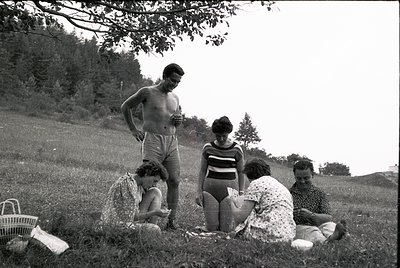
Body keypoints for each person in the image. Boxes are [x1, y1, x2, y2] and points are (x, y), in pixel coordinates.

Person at [121, 63, 184, 230]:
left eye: (178, 82)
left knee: (175, 180)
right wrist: (133, 129)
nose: (174, 84)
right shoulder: (147, 92)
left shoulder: (175, 98)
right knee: (149, 179)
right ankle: (140, 217)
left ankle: (171, 221)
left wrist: (178, 120)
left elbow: (177, 116)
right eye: (172, 80)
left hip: (171, 141)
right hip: (152, 140)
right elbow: (126, 106)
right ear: (164, 76)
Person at [227, 158, 296, 243]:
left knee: (241, 204)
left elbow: (240, 216)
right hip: (287, 235)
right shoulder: (281, 186)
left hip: (268, 234)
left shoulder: (256, 184)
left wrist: (231, 202)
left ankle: (235, 235)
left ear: (249, 175)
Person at [196, 116, 245, 232]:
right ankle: (208, 225)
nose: (222, 139)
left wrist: (241, 193)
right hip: (210, 192)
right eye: (218, 136)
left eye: (224, 136)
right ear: (214, 134)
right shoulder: (208, 148)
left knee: (224, 230)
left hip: (229, 193)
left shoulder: (237, 149)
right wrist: (199, 191)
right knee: (212, 229)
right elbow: (202, 171)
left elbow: (241, 172)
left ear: (229, 133)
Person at [100, 160, 171, 234]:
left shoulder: (138, 183)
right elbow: (132, 217)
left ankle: (150, 230)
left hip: (128, 220)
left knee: (155, 192)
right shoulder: (128, 185)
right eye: (154, 181)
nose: (154, 184)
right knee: (155, 230)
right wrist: (155, 212)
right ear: (147, 174)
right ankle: (149, 232)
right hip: (118, 225)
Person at [290, 160, 348, 244]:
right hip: (300, 227)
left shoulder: (319, 193)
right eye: (299, 178)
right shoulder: (288, 194)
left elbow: (328, 217)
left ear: (312, 175)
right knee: (312, 231)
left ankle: (337, 235)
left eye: (306, 178)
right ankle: (328, 241)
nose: (302, 181)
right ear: (294, 176)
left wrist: (311, 215)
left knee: (330, 225)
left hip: (319, 224)